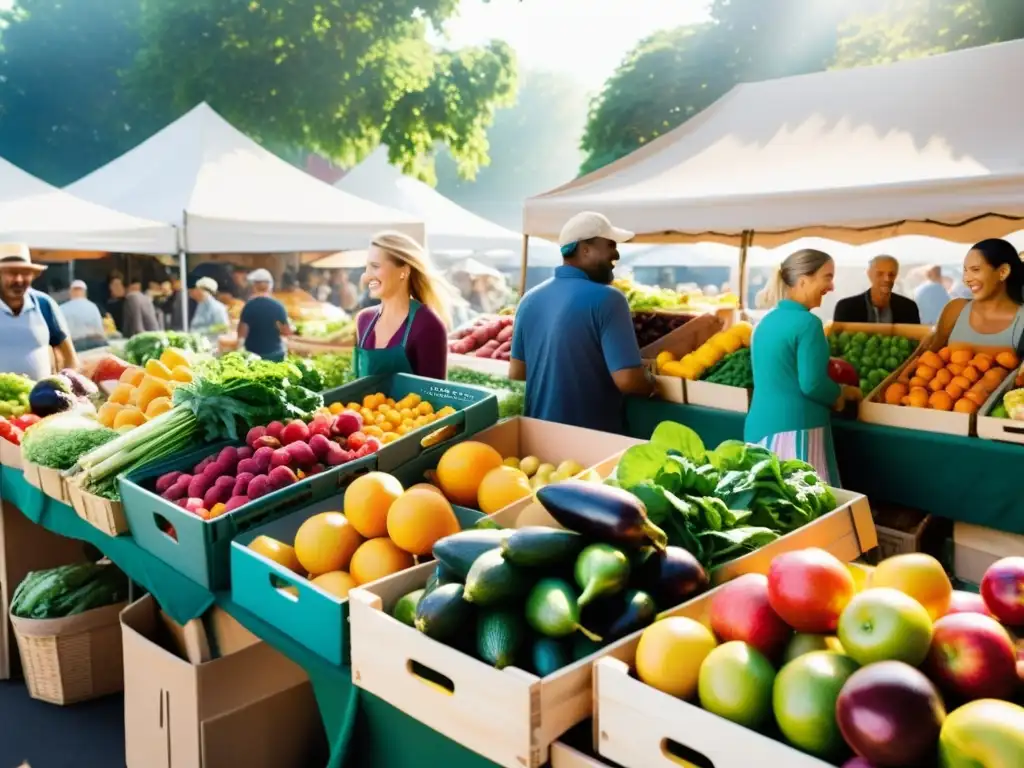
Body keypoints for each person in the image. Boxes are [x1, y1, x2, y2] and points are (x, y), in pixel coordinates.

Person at [510, 211, 654, 434]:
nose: (616, 254)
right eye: (610, 245)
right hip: (592, 441)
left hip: (536, 436)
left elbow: (517, 375)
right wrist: (653, 384)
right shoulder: (609, 299)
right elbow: (628, 381)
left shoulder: (528, 300)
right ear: (584, 249)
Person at [746, 249, 861, 486]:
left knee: (768, 509)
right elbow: (813, 384)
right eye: (827, 277)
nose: (831, 287)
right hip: (798, 431)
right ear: (803, 280)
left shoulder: (765, 321)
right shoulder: (808, 323)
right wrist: (841, 393)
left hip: (759, 428)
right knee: (809, 512)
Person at [354, 231, 450, 379]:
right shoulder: (364, 320)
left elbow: (435, 394)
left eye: (375, 266)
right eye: (366, 268)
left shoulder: (427, 324)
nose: (366, 276)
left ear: (403, 272)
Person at [0, 244, 78, 378]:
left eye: (25, 273)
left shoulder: (43, 304)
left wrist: (65, 387)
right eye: (12, 273)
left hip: (39, 398)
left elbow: (69, 358)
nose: (19, 279)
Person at [937, 239, 1024, 352]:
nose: (966, 279)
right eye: (965, 271)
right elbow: (930, 350)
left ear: (1003, 272)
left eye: (975, 270)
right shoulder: (956, 309)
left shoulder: (1021, 320)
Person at [833, 255, 921, 324]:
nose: (887, 279)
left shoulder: (909, 308)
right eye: (880, 274)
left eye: (891, 274)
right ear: (869, 274)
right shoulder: (846, 307)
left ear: (896, 276)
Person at [238, 269, 291, 361]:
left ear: (254, 286)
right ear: (270, 286)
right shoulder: (278, 306)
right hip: (275, 354)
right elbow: (286, 332)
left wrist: (238, 349)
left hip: (253, 356)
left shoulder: (249, 306)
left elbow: (242, 333)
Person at [60, 280, 107, 350]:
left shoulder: (62, 308)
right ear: (85, 293)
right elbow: (100, 331)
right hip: (95, 343)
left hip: (75, 345)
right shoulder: (93, 307)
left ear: (70, 292)